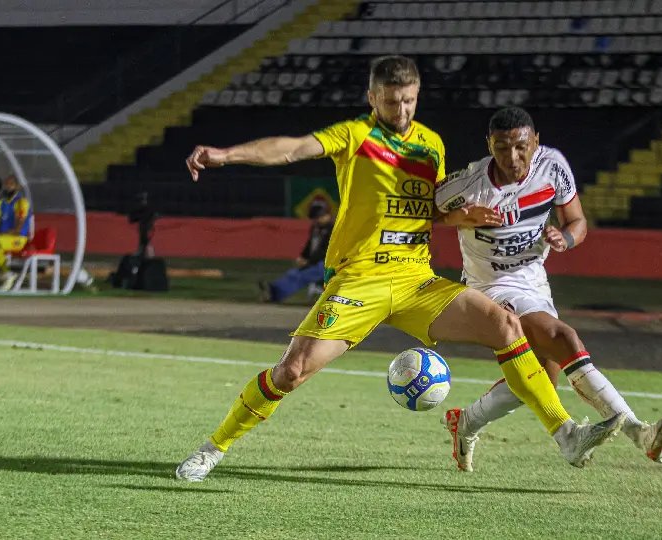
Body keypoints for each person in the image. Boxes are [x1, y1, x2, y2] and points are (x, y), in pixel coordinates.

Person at [176, 56, 624, 483]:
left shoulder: (431, 145)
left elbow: (430, 209)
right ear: (372, 98)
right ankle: (213, 448)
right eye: (392, 101)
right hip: (360, 279)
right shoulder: (355, 136)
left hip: (415, 280)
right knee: (291, 372)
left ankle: (567, 436)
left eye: (409, 99)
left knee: (507, 325)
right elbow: (292, 149)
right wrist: (225, 155)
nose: (402, 109)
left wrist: (459, 218)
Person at [435, 106, 662, 472]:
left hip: (534, 283)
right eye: (501, 148)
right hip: (490, 288)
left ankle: (465, 422)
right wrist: (458, 217)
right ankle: (638, 432)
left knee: (542, 376)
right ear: (489, 144)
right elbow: (417, 210)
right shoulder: (470, 184)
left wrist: (564, 237)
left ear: (535, 141)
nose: (511, 157)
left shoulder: (553, 166)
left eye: (520, 147)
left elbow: (577, 221)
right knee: (564, 338)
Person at [259, 199, 334, 303]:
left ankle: (274, 292)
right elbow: (310, 245)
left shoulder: (334, 228)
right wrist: (303, 257)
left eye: (320, 216)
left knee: (302, 275)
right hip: (316, 262)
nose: (318, 219)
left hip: (328, 264)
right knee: (294, 273)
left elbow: (326, 250)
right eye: (316, 217)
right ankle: (273, 291)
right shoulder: (316, 228)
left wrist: (309, 262)